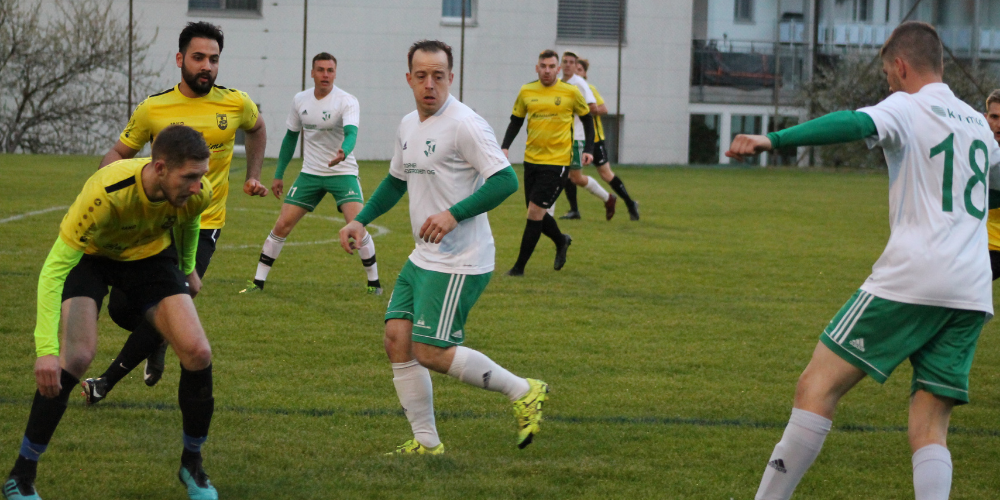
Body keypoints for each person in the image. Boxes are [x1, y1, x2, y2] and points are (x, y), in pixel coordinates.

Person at [727, 22, 1000, 500]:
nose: (888, 84)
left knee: (816, 387)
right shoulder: (979, 125)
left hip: (913, 278)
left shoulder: (909, 105)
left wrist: (774, 140)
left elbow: (854, 123)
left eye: (887, 74)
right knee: (930, 425)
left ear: (901, 66)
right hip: (972, 289)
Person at [338, 40, 548, 455]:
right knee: (397, 338)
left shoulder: (465, 124)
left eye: (438, 75)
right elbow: (396, 181)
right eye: (421, 76)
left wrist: (453, 214)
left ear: (451, 77)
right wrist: (360, 219)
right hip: (424, 255)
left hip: (460, 258)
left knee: (430, 350)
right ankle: (426, 442)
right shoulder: (407, 125)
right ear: (409, 79)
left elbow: (506, 180)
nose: (429, 84)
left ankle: (524, 390)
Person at [2, 125, 220, 500]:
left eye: (201, 176)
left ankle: (192, 465)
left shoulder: (198, 191)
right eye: (189, 177)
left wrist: (187, 269)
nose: (198, 186)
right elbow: (54, 270)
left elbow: (189, 220)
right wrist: (45, 351)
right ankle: (20, 476)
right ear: (160, 167)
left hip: (150, 259)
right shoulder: (106, 192)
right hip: (93, 260)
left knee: (198, 352)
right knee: (77, 357)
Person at [82, 21, 268, 402]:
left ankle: (104, 383)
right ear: (180, 59)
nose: (207, 66)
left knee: (175, 296)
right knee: (122, 309)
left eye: (214, 59)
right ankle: (161, 338)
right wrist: (104, 187)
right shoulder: (154, 108)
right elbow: (119, 153)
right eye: (199, 57)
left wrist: (253, 175)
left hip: (203, 223)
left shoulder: (236, 103)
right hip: (155, 222)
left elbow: (258, 128)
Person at [241, 52, 381, 295]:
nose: (325, 74)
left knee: (357, 225)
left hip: (342, 172)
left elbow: (351, 133)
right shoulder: (300, 100)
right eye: (321, 70)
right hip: (310, 173)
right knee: (282, 225)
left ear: (335, 73)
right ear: (312, 73)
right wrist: (279, 174)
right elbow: (290, 138)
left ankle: (374, 284)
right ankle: (257, 282)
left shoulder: (347, 101)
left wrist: (344, 152)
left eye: (330, 70)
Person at [500, 49, 596, 276]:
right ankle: (561, 240)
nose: (547, 70)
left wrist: (589, 149)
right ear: (537, 68)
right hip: (531, 161)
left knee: (535, 213)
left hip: (557, 162)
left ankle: (518, 268)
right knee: (536, 213)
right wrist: (504, 146)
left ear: (558, 69)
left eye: (552, 66)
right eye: (543, 66)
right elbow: (516, 121)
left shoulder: (571, 92)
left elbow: (587, 120)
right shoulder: (526, 91)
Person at [572, 58, 640, 221]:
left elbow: (603, 108)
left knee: (606, 174)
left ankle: (630, 203)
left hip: (594, 140)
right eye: (575, 69)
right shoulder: (569, 89)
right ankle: (574, 210)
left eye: (580, 70)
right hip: (576, 139)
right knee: (570, 174)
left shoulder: (589, 89)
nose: (577, 72)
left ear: (585, 74)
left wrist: (585, 109)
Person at [557, 51, 617, 221]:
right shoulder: (559, 83)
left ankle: (608, 198)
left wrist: (574, 109)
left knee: (575, 178)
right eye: (565, 61)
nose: (568, 65)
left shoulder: (580, 84)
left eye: (572, 62)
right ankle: (548, 213)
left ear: (576, 65)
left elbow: (592, 107)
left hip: (576, 137)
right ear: (561, 65)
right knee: (559, 174)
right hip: (561, 136)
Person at [983, 89, 1000, 279]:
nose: (999, 124)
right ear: (985, 118)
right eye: (994, 117)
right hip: (984, 245)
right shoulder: (974, 150)